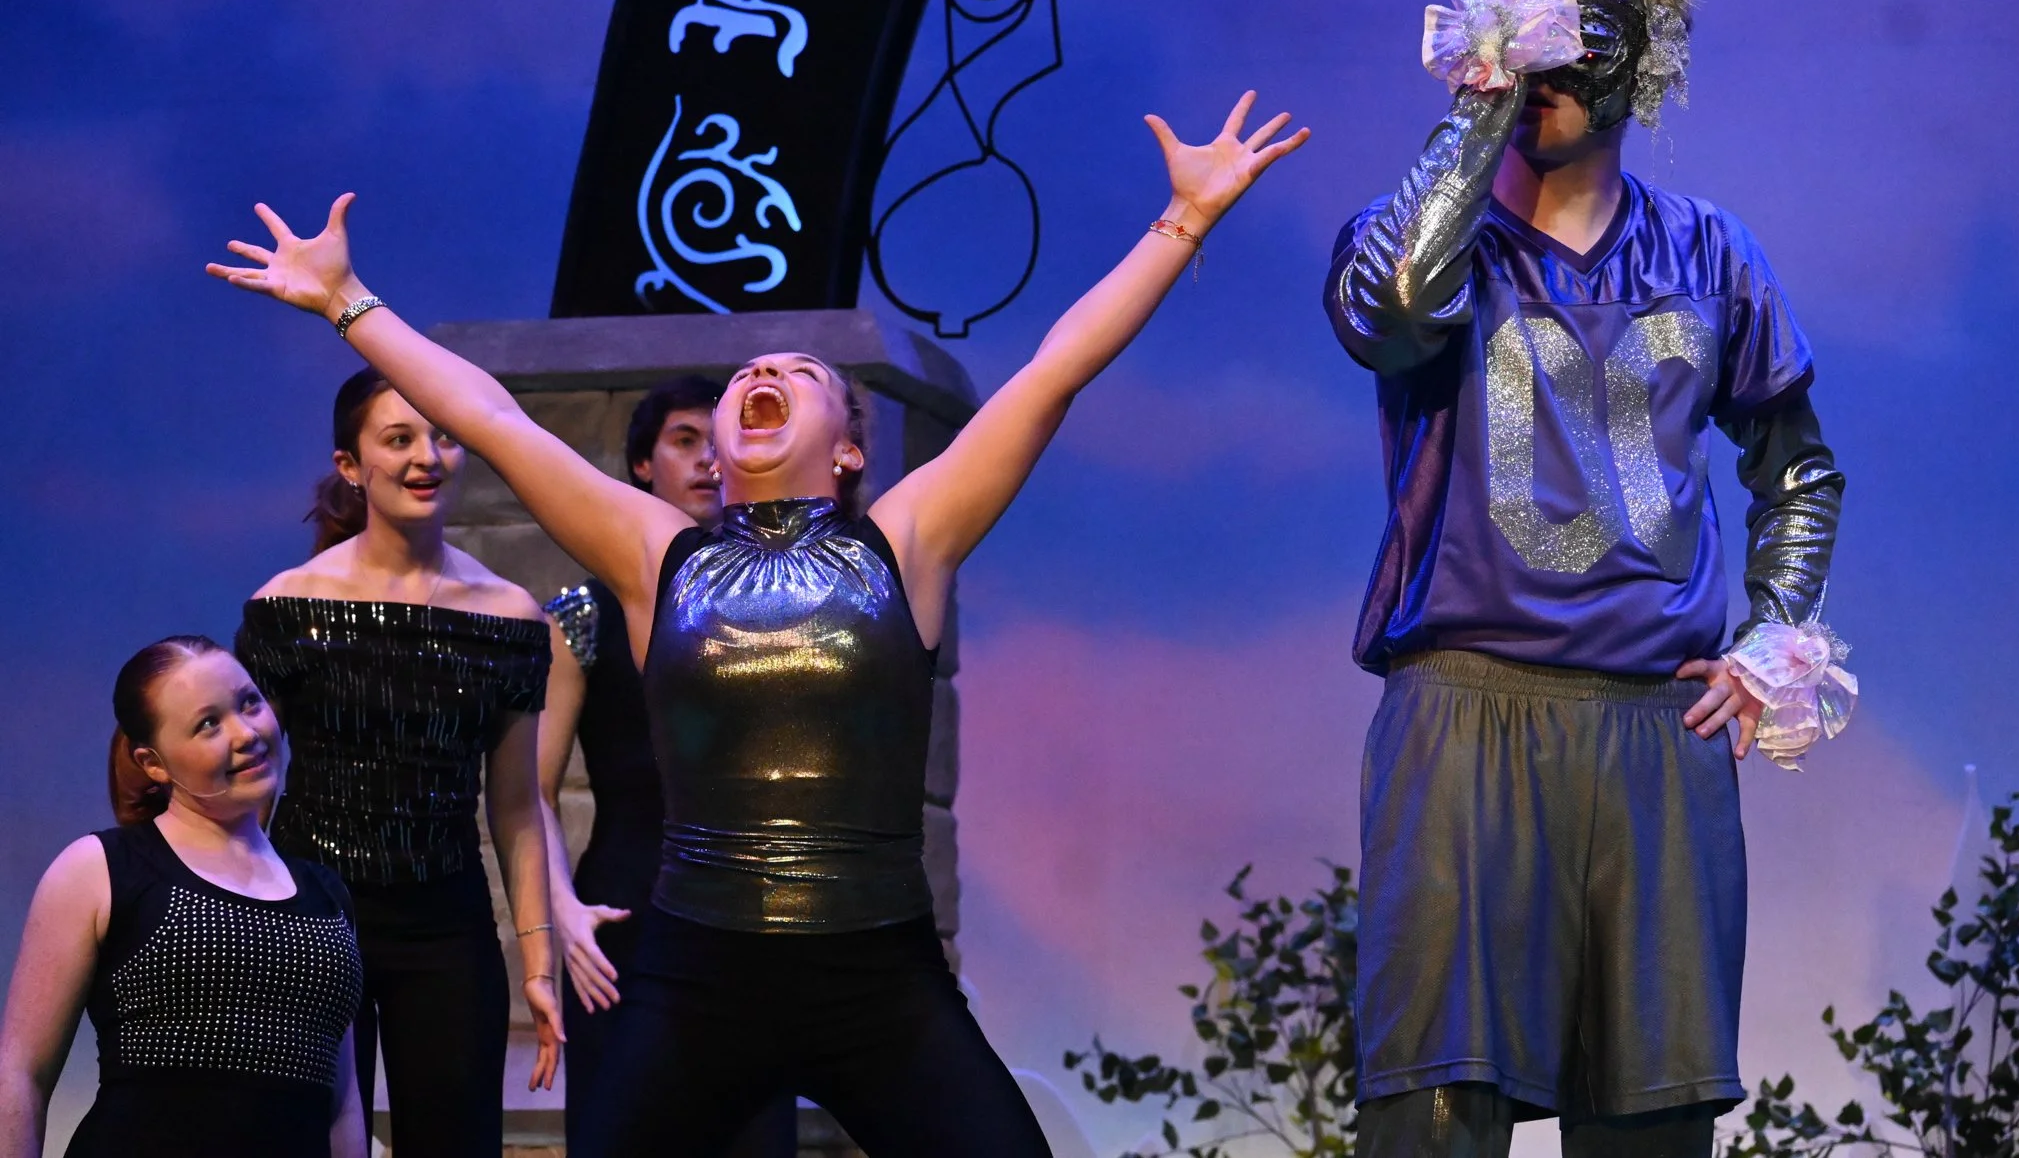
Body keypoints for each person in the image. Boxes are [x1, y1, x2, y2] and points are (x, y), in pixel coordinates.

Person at [208, 90, 1308, 1157]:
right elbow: (489, 416)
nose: (764, 369)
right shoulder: (655, 554)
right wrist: (349, 300)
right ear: (719, 445)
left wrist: (1184, 222)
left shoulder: (905, 538)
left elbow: (1052, 370)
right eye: (748, 371)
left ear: (848, 449)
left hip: (875, 969)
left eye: (799, 369)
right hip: (698, 970)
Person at [1324, 0, 1847, 1156]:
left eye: (1570, 39)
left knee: (1651, 1118)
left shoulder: (1710, 252)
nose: (1544, 65)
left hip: (1649, 728)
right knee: (1434, 1108)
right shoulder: (1427, 241)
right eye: (1521, 31)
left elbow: (1795, 464)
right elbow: (1388, 308)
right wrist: (1476, 110)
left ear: (1634, 58)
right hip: (1463, 717)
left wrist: (1773, 633)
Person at [233, 367, 564, 1158]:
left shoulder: (509, 617)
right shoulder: (286, 605)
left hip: (445, 925)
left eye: (443, 436)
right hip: (311, 916)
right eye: (400, 438)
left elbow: (516, 805)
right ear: (350, 464)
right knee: (303, 1138)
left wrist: (540, 963)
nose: (427, 457)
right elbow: (241, 788)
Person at [539, 374, 798, 1154]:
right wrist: (561, 910)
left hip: (749, 921)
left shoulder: (779, 599)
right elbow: (529, 790)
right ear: (641, 465)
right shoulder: (583, 614)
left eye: (715, 443)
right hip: (624, 919)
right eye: (685, 441)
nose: (707, 461)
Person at [0, 637, 365, 1158]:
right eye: (208, 724)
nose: (246, 734)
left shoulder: (327, 895)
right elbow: (21, 1075)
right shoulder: (101, 869)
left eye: (249, 703)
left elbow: (342, 1103)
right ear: (154, 763)